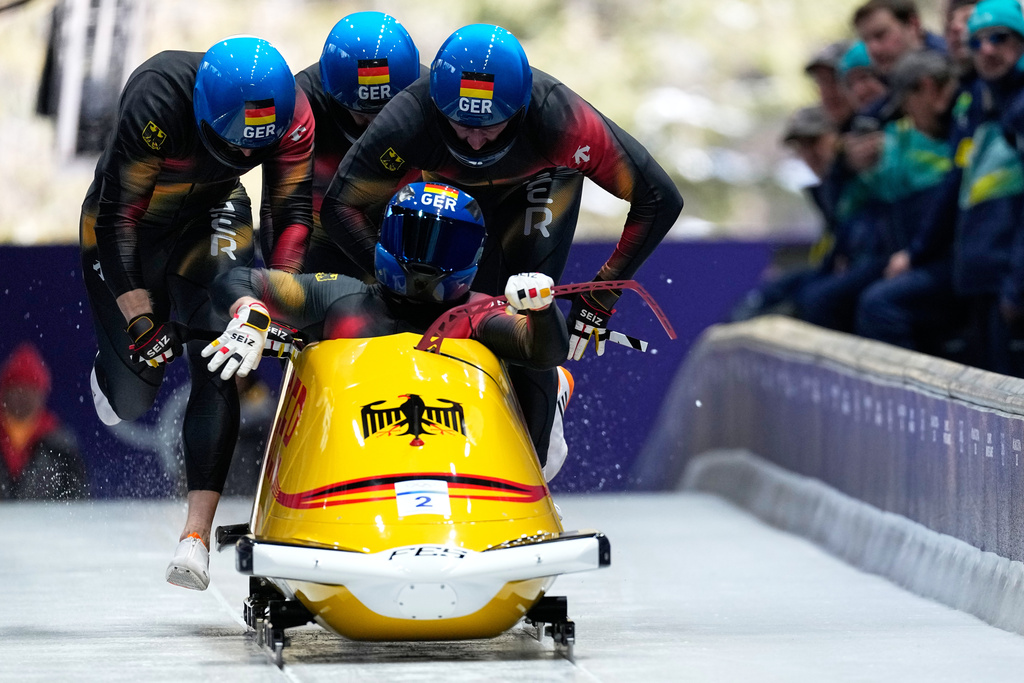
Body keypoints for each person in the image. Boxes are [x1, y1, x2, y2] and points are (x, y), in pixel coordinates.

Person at [320, 24, 683, 465]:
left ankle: (541, 420)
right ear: (436, 106)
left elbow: (659, 199)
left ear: (522, 107)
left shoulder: (560, 119)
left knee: (520, 307)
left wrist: (601, 294)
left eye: (491, 126)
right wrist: (397, 282)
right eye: (460, 123)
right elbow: (339, 208)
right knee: (430, 312)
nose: (474, 139)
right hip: (452, 201)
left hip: (539, 189)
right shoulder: (410, 116)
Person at [80, 35, 315, 591]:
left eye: (249, 153)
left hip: (213, 213)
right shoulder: (157, 96)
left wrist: (272, 304)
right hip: (128, 227)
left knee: (223, 359)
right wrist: (139, 318)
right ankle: (115, 374)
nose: (239, 158)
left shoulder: (292, 114)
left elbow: (291, 211)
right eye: (228, 145)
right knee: (134, 394)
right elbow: (117, 220)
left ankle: (194, 539)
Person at [204, 181, 571, 481]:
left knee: (543, 373)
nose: (426, 261)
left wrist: (542, 309)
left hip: (457, 458)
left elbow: (544, 351)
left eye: (446, 246)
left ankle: (548, 424)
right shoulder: (338, 296)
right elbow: (238, 280)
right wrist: (250, 312)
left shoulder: (479, 314)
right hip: (353, 457)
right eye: (414, 239)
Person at [857, 0, 1024, 371]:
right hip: (978, 275)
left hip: (1003, 277)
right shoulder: (979, 104)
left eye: (998, 37)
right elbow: (956, 187)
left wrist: (1016, 285)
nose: (987, 49)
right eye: (976, 40)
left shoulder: (1011, 108)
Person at [260, 11, 424, 277]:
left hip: (403, 231)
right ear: (331, 95)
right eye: (361, 113)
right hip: (320, 238)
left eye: (385, 113)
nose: (373, 125)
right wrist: (281, 284)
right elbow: (280, 209)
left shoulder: (428, 99)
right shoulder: (299, 104)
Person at [0, 342, 89, 500]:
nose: (23, 395)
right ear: (5, 391)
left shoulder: (61, 445)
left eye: (31, 389)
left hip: (46, 525)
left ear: (42, 394)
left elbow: (76, 503)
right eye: (17, 387)